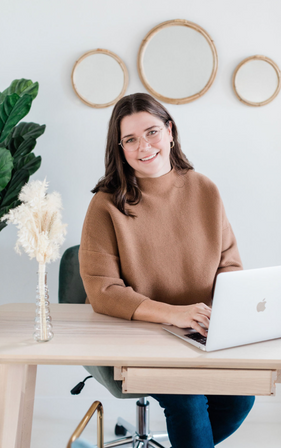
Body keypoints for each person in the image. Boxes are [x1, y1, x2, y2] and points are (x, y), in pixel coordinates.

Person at [79, 92, 255, 448]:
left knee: (241, 396)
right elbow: (103, 291)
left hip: (200, 332)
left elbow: (230, 263)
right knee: (188, 401)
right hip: (139, 334)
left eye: (152, 132)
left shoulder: (204, 188)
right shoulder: (106, 204)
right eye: (130, 139)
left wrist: (228, 313)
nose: (144, 146)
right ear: (120, 147)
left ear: (170, 131)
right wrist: (175, 315)